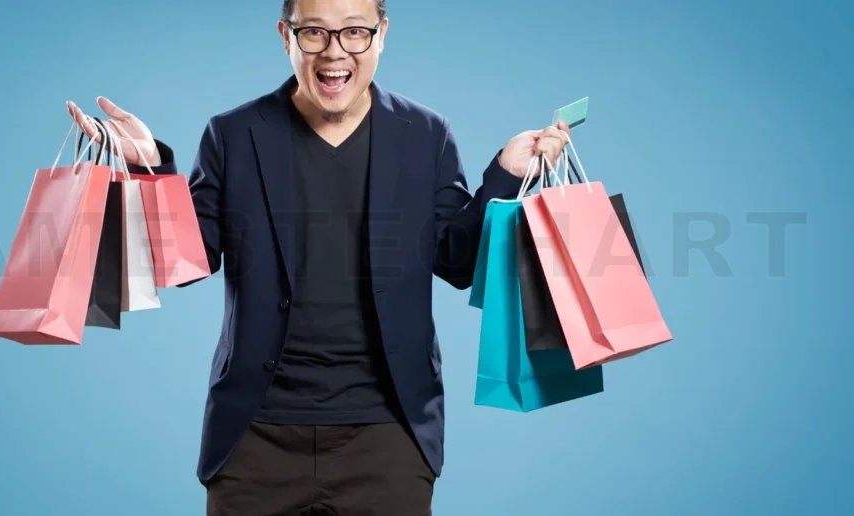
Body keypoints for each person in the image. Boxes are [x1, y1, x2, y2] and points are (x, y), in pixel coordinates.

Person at [67, 0, 570, 513]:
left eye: (355, 32)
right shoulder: (233, 134)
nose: (335, 52)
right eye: (314, 33)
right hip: (254, 438)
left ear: (382, 34)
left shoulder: (426, 134)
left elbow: (457, 264)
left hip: (389, 436)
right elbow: (190, 260)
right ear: (286, 35)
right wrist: (152, 170)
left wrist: (505, 177)